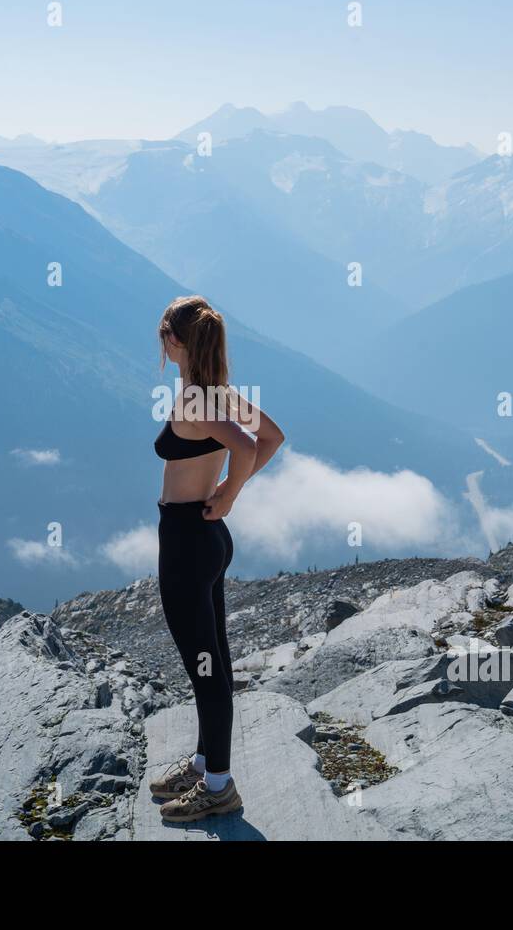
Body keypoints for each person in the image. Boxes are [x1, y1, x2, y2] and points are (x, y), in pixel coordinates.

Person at [147, 295, 285, 823]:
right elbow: (272, 437)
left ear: (174, 342)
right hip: (210, 540)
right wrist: (226, 493)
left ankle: (220, 786)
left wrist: (230, 491)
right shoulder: (217, 394)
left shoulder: (195, 403)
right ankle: (206, 763)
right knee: (215, 657)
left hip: (186, 540)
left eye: (162, 334)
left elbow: (248, 447)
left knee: (205, 667)